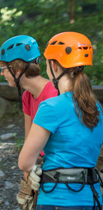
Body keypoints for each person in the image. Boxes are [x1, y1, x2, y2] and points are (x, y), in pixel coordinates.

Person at [18, 31, 103, 209]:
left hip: (57, 198)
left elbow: (25, 161)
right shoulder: (97, 108)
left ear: (54, 65)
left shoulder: (50, 108)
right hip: (93, 198)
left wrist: (34, 171)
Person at [0, 35, 58, 208]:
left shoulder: (54, 94)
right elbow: (29, 142)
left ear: (17, 70)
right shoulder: (27, 96)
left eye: (4, 68)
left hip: (56, 170)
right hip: (37, 168)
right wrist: (26, 184)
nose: (2, 73)